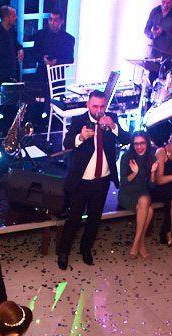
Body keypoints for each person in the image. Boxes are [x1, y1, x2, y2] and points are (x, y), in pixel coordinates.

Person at [57, 91, 131, 270]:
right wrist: (81, 137)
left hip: (102, 180)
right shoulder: (79, 121)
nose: (99, 110)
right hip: (82, 181)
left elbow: (126, 138)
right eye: (95, 106)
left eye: (102, 106)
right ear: (88, 105)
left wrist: (113, 126)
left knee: (95, 218)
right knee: (74, 219)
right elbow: (67, 143)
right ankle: (64, 251)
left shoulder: (111, 118)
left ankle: (86, 249)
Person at [119, 132, 156, 259]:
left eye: (142, 143)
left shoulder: (151, 158)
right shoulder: (126, 157)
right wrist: (134, 173)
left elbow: (152, 185)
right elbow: (123, 182)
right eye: (136, 144)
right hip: (127, 194)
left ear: (147, 143)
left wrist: (153, 172)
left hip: (142, 192)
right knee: (149, 211)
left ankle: (136, 243)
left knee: (144, 200)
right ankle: (141, 244)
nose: (139, 147)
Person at [31, 9, 74, 86]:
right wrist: (43, 58)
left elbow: (70, 59)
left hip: (58, 77)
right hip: (41, 74)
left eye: (55, 20)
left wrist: (56, 61)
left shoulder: (68, 38)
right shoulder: (41, 34)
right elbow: (33, 52)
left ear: (61, 22)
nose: (52, 23)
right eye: (50, 19)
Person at [0, 6, 24, 85]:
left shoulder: (12, 32)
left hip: (14, 78)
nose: (16, 17)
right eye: (13, 16)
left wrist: (20, 49)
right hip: (0, 80)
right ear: (6, 18)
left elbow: (15, 43)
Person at [145, 0, 172, 65]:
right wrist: (152, 35)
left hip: (168, 56)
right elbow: (146, 29)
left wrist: (163, 33)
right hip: (154, 53)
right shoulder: (155, 11)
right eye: (163, 2)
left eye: (168, 3)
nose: (165, 5)